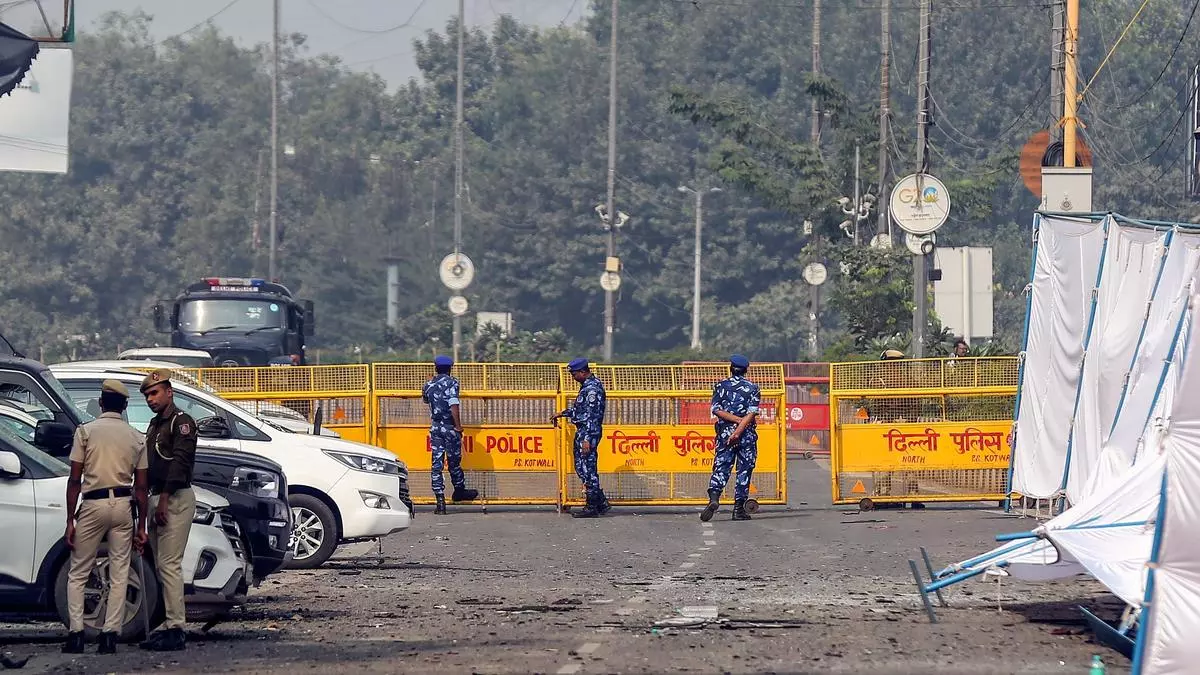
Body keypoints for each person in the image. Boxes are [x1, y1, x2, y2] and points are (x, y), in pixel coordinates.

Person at [63, 380, 149, 655]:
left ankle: (76, 634)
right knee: (120, 571)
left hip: (93, 504)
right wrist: (142, 526)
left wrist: (69, 520)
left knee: (78, 572)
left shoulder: (85, 433)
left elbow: (75, 479)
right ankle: (109, 636)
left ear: (100, 404)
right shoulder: (137, 437)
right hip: (123, 505)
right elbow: (142, 487)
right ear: (124, 406)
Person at [139, 369, 198, 652]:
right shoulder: (155, 425)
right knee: (162, 565)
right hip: (156, 497)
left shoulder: (181, 422)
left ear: (169, 392)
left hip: (174, 497)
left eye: (155, 392)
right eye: (147, 395)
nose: (151, 399)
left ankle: (176, 628)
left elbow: (180, 463)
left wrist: (162, 498)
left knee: (169, 564)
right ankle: (169, 624)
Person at [701, 355, 761, 522]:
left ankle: (714, 498)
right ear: (745, 370)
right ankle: (738, 510)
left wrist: (732, 428)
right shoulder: (752, 388)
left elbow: (716, 410)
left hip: (725, 434)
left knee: (721, 466)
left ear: (730, 368)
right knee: (744, 470)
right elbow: (751, 413)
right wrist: (739, 428)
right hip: (746, 435)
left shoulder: (720, 386)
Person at [553, 358, 610, 518]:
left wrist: (586, 438)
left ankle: (592, 506)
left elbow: (592, 416)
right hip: (585, 431)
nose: (573, 376)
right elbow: (581, 410)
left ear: (583, 372)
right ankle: (601, 503)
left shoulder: (592, 389)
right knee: (582, 466)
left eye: (574, 373)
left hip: (588, 432)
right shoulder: (587, 387)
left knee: (587, 468)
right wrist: (563, 413)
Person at [422, 355, 478, 514]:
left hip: (436, 428)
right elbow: (454, 405)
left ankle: (440, 502)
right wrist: (458, 426)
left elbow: (426, 401)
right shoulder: (452, 383)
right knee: (454, 461)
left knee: (436, 464)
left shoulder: (428, 384)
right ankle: (459, 490)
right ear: (450, 368)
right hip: (450, 428)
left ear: (435, 367)